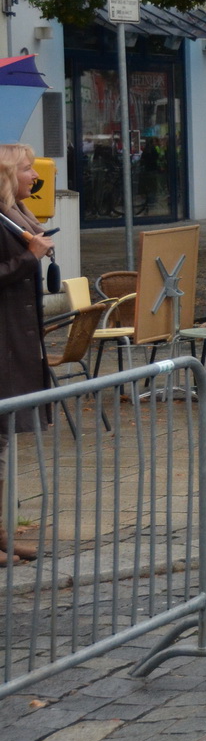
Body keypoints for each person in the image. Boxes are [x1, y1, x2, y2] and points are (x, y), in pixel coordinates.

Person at [0, 144, 51, 563]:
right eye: (26, 169)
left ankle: (1, 531)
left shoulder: (16, 214)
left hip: (15, 337)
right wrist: (28, 257)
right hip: (2, 340)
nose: (34, 176)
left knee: (0, 443)